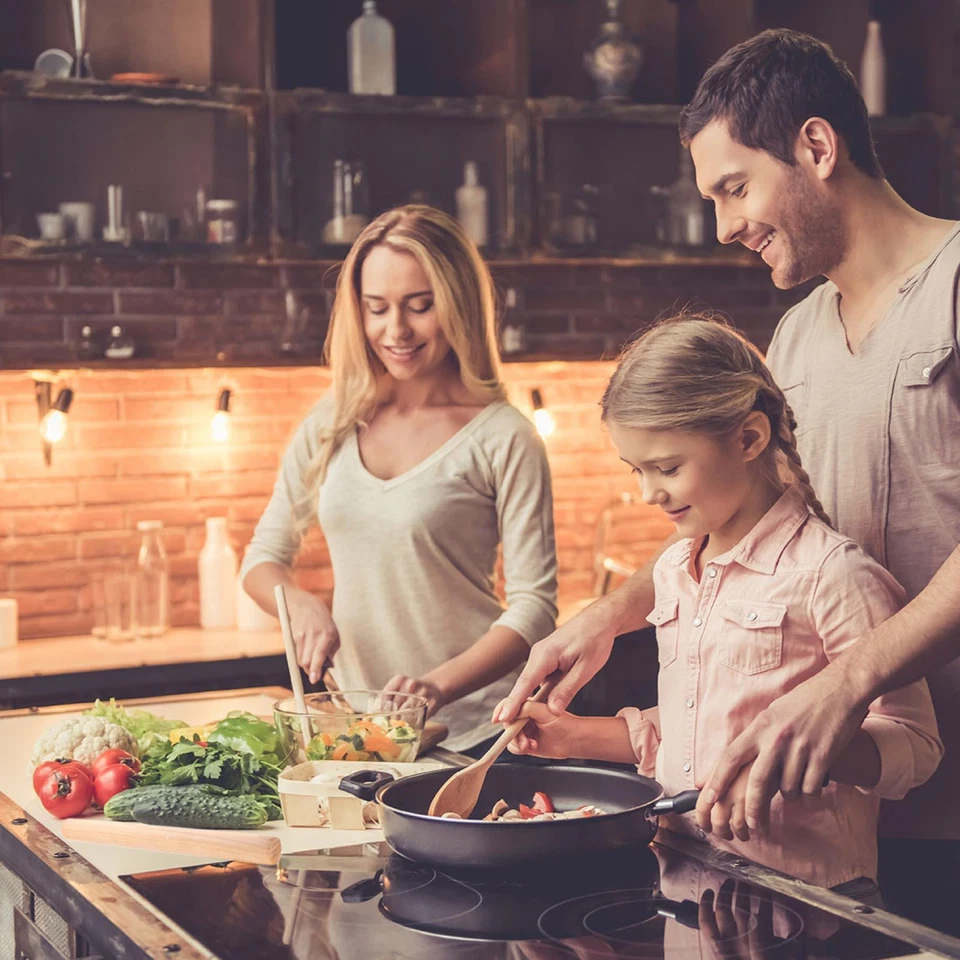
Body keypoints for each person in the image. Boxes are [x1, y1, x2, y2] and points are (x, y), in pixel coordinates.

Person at [496, 29, 960, 925]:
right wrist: (612, 613)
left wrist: (843, 686)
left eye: (735, 187)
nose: (723, 225)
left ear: (816, 148)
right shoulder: (797, 337)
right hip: (841, 817)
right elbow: (767, 535)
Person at [504, 316, 941, 891]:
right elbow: (692, 730)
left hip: (813, 904)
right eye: (636, 470)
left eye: (668, 468)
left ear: (749, 439)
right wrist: (574, 737)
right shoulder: (672, 572)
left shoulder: (832, 575)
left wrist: (808, 748)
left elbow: (917, 747)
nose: (647, 493)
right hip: (687, 883)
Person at [242, 204, 558, 754]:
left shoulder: (504, 436)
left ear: (456, 304)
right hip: (362, 733)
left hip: (478, 735)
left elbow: (535, 608)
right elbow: (261, 559)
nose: (397, 330)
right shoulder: (331, 422)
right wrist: (296, 602)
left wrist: (436, 687)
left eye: (420, 306)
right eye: (377, 308)